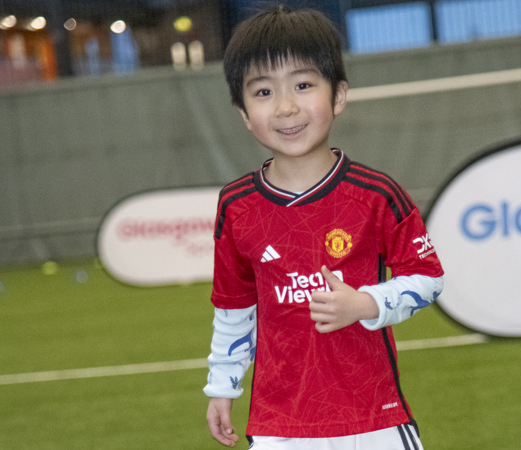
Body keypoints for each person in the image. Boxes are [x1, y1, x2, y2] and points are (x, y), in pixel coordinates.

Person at [203, 5, 444, 450]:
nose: (286, 107)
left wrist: (367, 303)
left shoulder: (376, 195)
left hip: (374, 419)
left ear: (338, 95)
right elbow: (234, 308)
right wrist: (222, 385)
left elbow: (429, 278)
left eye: (303, 84)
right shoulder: (236, 206)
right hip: (280, 427)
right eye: (262, 92)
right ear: (242, 112)